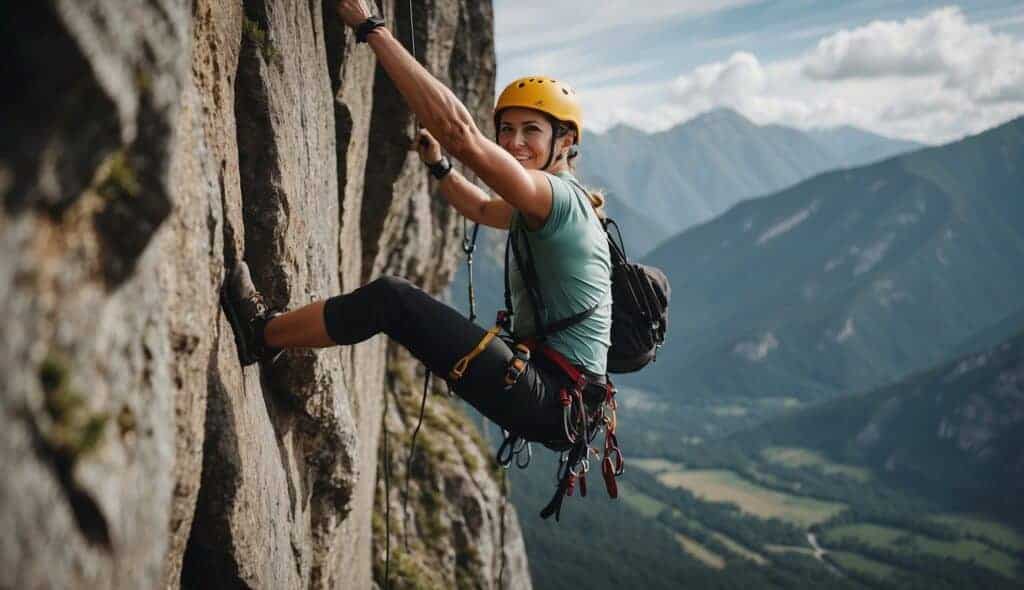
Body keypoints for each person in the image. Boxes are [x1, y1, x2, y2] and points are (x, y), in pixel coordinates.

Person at [223, 0, 612, 455]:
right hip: (560, 398)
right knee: (395, 303)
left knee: (393, 300)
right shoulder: (562, 204)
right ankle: (271, 334)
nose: (513, 142)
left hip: (550, 396)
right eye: (506, 129)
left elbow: (460, 133)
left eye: (531, 130)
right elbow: (484, 209)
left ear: (565, 142)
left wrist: (370, 27)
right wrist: (440, 166)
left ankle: (263, 334)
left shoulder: (556, 196)